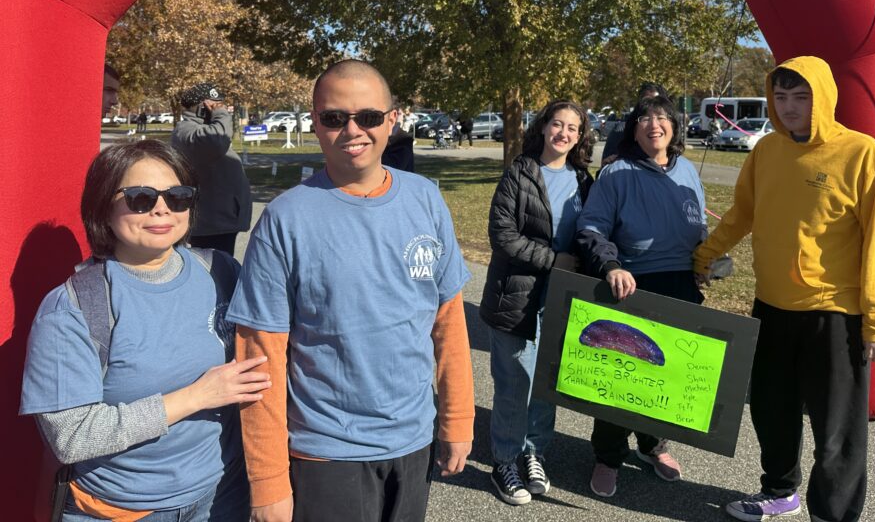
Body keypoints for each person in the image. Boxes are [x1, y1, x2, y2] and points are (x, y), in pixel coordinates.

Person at [227, 60, 474, 522]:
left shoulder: (425, 198)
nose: (353, 130)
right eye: (335, 117)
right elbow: (259, 356)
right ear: (315, 121)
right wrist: (268, 480)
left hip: (413, 440)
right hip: (326, 450)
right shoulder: (285, 219)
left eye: (369, 116)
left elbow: (447, 322)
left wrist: (457, 419)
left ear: (392, 120)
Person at [694, 57, 875, 522]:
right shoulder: (767, 150)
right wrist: (706, 255)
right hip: (772, 306)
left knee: (836, 430)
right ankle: (779, 491)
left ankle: (833, 514)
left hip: (835, 313)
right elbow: (742, 213)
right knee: (771, 410)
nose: (789, 107)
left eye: (801, 97)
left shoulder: (861, 153)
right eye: (781, 96)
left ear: (822, 98)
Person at [20, 140, 270, 521]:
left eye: (178, 196)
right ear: (103, 207)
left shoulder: (221, 272)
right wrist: (197, 396)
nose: (162, 208)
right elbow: (71, 437)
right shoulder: (73, 308)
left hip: (222, 496)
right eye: (140, 198)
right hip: (124, 510)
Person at [576, 93, 706, 497]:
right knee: (622, 377)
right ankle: (608, 455)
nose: (654, 124)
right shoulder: (616, 173)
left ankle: (653, 445)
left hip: (681, 285)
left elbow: (698, 226)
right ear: (633, 130)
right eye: (645, 118)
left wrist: (707, 259)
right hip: (632, 284)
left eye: (663, 117)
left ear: (675, 127)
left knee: (665, 375)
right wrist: (611, 266)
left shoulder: (687, 170)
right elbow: (591, 227)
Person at [480, 100, 594, 505]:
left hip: (561, 302)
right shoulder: (520, 172)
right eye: (557, 124)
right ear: (543, 127)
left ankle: (533, 453)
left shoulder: (584, 181)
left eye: (572, 128)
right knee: (515, 383)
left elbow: (593, 234)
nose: (563, 133)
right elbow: (502, 235)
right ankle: (504, 461)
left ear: (580, 137)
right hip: (516, 296)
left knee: (545, 382)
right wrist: (553, 259)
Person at [171, 82, 252, 258]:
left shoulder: (201, 129)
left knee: (224, 265)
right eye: (216, 105)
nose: (222, 108)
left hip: (221, 219)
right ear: (203, 108)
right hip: (211, 223)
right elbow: (217, 140)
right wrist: (220, 114)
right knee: (215, 269)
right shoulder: (186, 130)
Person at [601, 81, 670, 164]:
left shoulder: (669, 133)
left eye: (656, 102)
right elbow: (605, 164)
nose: (650, 106)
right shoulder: (620, 131)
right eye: (646, 101)